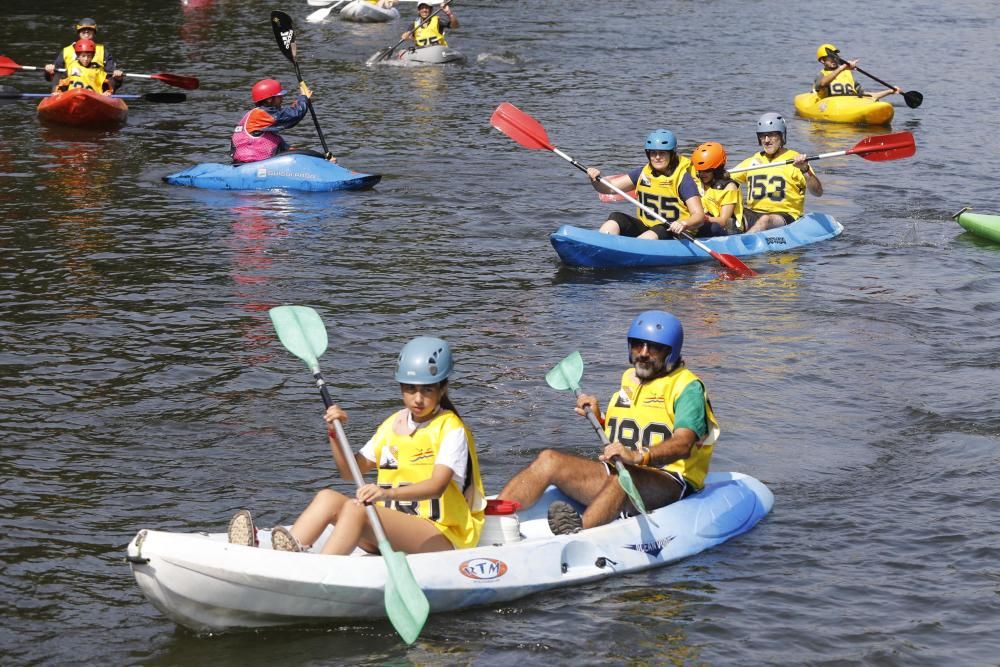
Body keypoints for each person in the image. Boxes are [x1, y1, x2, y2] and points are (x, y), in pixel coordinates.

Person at [228, 336, 487, 555]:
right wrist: (334, 433)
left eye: (427, 390)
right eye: (410, 389)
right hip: (388, 528)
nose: (417, 399)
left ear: (442, 389)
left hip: (441, 534)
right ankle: (287, 553)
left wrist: (385, 494)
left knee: (356, 509)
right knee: (328, 497)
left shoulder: (451, 429)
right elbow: (349, 471)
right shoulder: (392, 425)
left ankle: (316, 571)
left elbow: (437, 486)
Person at [497, 311, 719, 534]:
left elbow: (683, 444)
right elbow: (632, 433)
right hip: (619, 471)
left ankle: (575, 535)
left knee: (626, 477)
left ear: (670, 352)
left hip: (671, 481)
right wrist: (600, 419)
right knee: (549, 459)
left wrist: (639, 456)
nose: (643, 354)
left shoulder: (688, 388)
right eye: (637, 345)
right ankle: (491, 518)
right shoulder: (630, 379)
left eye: (653, 347)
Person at [586, 130, 707, 240]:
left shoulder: (683, 179)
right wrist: (595, 179)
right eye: (653, 153)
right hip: (647, 228)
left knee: (660, 228)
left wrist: (684, 223)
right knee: (616, 217)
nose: (657, 157)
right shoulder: (642, 173)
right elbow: (609, 188)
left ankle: (630, 252)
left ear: (672, 154)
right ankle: (601, 244)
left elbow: (699, 215)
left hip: (675, 233)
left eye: (662, 153)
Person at [730, 113, 823, 233]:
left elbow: (818, 192)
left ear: (781, 136)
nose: (767, 140)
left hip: (785, 216)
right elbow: (727, 179)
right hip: (754, 213)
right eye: (763, 136)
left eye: (772, 135)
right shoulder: (752, 161)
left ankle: (743, 243)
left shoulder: (796, 160)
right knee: (729, 216)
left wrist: (805, 170)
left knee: (765, 220)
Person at [230, 78, 336, 163]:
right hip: (250, 164)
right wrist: (303, 98)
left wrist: (322, 159)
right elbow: (294, 115)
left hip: (257, 163)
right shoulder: (260, 115)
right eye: (279, 96)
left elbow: (288, 149)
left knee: (306, 154)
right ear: (269, 99)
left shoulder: (264, 122)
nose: (282, 99)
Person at [44, 18, 124, 92]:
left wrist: (117, 76)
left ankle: (107, 95)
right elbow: (54, 75)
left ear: (94, 33)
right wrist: (48, 71)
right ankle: (56, 94)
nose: (86, 34)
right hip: (71, 85)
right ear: (78, 33)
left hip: (96, 85)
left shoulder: (103, 51)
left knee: (113, 78)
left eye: (89, 31)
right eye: (83, 31)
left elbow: (110, 73)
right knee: (57, 73)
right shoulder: (66, 50)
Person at [691, 141, 744, 235]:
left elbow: (724, 221)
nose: (702, 174)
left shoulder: (729, 187)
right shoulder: (698, 181)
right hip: (704, 220)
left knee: (709, 227)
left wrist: (700, 218)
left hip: (726, 228)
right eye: (700, 171)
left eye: (707, 171)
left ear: (717, 169)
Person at [814, 43, 899, 101]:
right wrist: (843, 68)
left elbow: (867, 96)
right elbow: (822, 84)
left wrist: (890, 91)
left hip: (849, 104)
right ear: (822, 61)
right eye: (831, 58)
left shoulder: (847, 74)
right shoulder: (822, 75)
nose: (834, 60)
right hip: (829, 105)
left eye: (836, 57)